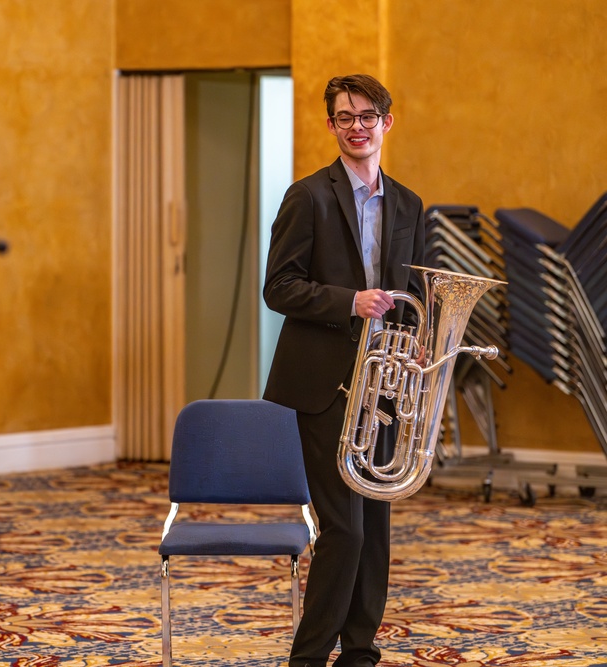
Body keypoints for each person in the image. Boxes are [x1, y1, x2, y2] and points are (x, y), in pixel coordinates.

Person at [262, 74, 426, 667]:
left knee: (376, 530)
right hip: (323, 384)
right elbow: (277, 287)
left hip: (383, 384)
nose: (357, 127)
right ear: (331, 126)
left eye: (367, 116)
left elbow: (413, 289)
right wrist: (347, 301)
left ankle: (360, 652)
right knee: (346, 530)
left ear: (387, 121)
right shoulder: (307, 196)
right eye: (345, 117)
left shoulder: (408, 202)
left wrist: (413, 345)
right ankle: (307, 658)